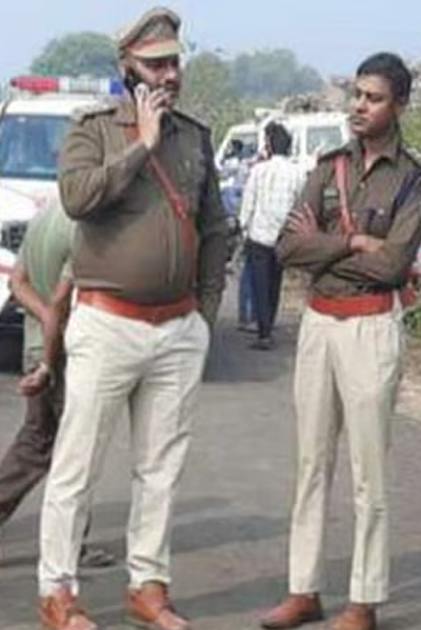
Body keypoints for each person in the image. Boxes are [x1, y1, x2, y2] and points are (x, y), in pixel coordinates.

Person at [35, 7, 229, 630]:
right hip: (106, 322)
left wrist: (204, 313)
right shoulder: (93, 130)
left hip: (177, 328)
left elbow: (216, 228)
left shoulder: (195, 137)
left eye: (174, 62)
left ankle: (148, 584)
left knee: (160, 468)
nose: (169, 75)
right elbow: (77, 198)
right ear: (127, 67)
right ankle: (58, 592)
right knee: (78, 466)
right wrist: (141, 145)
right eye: (155, 65)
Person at [260, 52, 421, 630]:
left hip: (371, 327)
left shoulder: (411, 179)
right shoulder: (329, 168)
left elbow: (394, 265)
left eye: (373, 98)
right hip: (318, 325)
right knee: (311, 463)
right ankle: (302, 589)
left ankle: (363, 600)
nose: (359, 106)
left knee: (367, 472)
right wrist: (353, 243)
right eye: (356, 94)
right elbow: (286, 247)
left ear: (398, 105)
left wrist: (325, 245)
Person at [0, 205, 115, 570]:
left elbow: (17, 283)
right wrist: (55, 332)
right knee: (76, 452)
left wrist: (46, 322)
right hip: (66, 354)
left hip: (37, 346)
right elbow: (61, 300)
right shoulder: (88, 229)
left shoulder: (45, 218)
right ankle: (69, 542)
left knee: (37, 443)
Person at [238, 121, 308, 350]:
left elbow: (249, 202)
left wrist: (243, 227)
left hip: (259, 235)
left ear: (269, 145)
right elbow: (300, 203)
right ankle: (270, 322)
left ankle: (264, 331)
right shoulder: (298, 172)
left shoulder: (259, 171)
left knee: (259, 283)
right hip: (283, 237)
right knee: (275, 282)